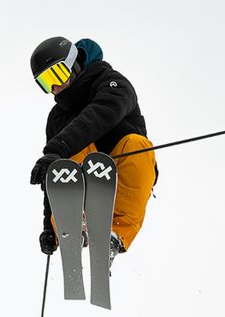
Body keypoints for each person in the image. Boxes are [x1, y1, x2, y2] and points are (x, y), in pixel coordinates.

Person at [29, 37, 157, 265]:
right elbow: (54, 173)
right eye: (46, 83)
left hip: (121, 177)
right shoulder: (56, 117)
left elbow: (101, 113)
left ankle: (114, 235)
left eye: (56, 75)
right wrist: (49, 227)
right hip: (83, 181)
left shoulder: (112, 83)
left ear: (74, 64)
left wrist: (58, 148)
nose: (55, 88)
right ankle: (72, 224)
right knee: (61, 160)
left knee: (138, 146)